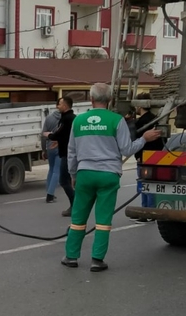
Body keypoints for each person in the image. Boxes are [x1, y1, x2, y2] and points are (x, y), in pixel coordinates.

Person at [61, 83, 162, 272]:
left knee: (78, 217)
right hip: (108, 175)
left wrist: (73, 174)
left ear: (91, 100)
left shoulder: (78, 121)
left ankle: (71, 257)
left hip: (85, 173)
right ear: (110, 100)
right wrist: (144, 139)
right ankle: (97, 260)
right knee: (103, 219)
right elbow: (126, 149)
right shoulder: (116, 120)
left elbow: (71, 152)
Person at [133, 93, 165, 221]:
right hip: (156, 155)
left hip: (145, 156)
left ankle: (146, 211)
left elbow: (139, 140)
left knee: (144, 184)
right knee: (151, 183)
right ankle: (150, 211)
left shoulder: (141, 122)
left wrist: (139, 156)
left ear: (140, 106)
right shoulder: (156, 119)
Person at [42, 96, 76, 217]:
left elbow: (59, 133)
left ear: (65, 106)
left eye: (60, 104)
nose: (58, 106)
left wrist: (49, 136)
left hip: (68, 154)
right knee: (64, 177)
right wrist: (59, 141)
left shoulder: (67, 119)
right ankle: (75, 205)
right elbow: (67, 135)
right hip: (66, 151)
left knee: (63, 180)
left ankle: (75, 205)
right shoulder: (71, 118)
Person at [41, 104, 62, 203]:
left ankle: (48, 191)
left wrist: (44, 150)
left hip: (50, 146)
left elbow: (43, 135)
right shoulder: (65, 119)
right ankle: (50, 195)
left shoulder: (49, 118)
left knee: (51, 169)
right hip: (60, 145)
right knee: (57, 170)